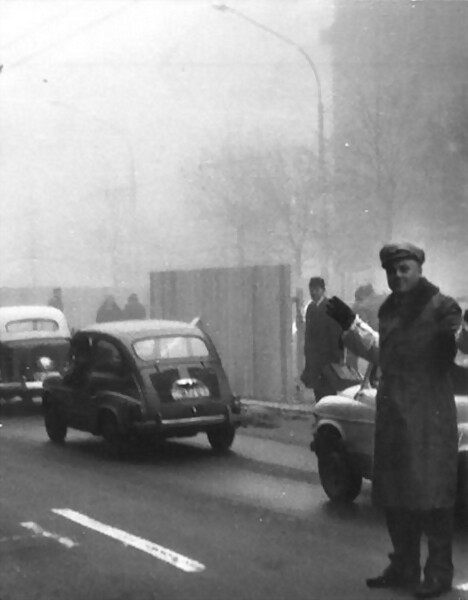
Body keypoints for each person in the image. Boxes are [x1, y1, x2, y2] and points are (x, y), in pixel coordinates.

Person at [326, 242, 468, 599]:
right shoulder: (390, 309)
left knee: (433, 496)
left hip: (429, 416)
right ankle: (403, 566)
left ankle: (438, 574)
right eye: (392, 271)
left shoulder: (441, 306)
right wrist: (352, 324)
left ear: (419, 269)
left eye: (404, 268)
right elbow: (384, 352)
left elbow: (461, 349)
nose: (398, 275)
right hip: (393, 414)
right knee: (395, 494)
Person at [300, 276, 344, 401]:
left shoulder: (331, 307)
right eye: (311, 290)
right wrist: (307, 353)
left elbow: (337, 334)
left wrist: (339, 356)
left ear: (323, 290)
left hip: (329, 356)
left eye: (317, 290)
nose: (314, 293)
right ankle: (320, 416)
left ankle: (329, 417)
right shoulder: (311, 309)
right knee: (317, 390)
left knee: (329, 390)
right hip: (314, 358)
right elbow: (308, 333)